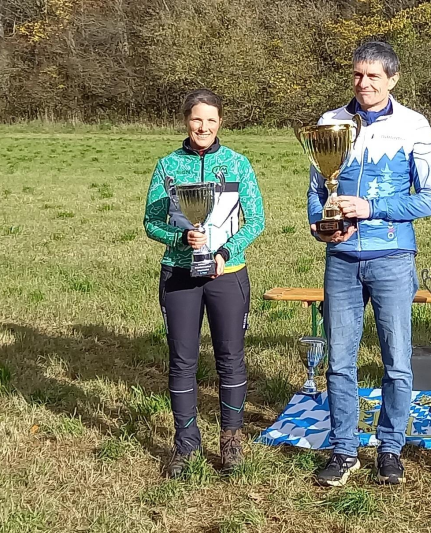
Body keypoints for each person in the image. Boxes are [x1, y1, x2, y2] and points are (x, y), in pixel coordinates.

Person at [307, 41, 431, 486]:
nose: (364, 84)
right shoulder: (330, 122)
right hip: (341, 260)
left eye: (374, 77)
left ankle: (389, 449)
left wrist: (373, 207)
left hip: (392, 257)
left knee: (397, 360)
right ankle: (344, 450)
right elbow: (315, 192)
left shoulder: (413, 125)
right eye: (357, 75)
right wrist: (319, 224)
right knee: (339, 362)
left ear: (393, 79)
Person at [143, 89, 265, 478]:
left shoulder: (237, 164)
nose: (204, 127)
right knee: (182, 362)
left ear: (220, 123)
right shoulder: (167, 166)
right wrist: (182, 238)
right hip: (179, 273)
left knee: (230, 359)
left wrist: (224, 252)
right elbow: (151, 222)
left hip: (226, 274)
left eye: (211, 120)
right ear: (186, 120)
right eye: (197, 119)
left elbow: (256, 220)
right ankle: (186, 444)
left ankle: (231, 441)